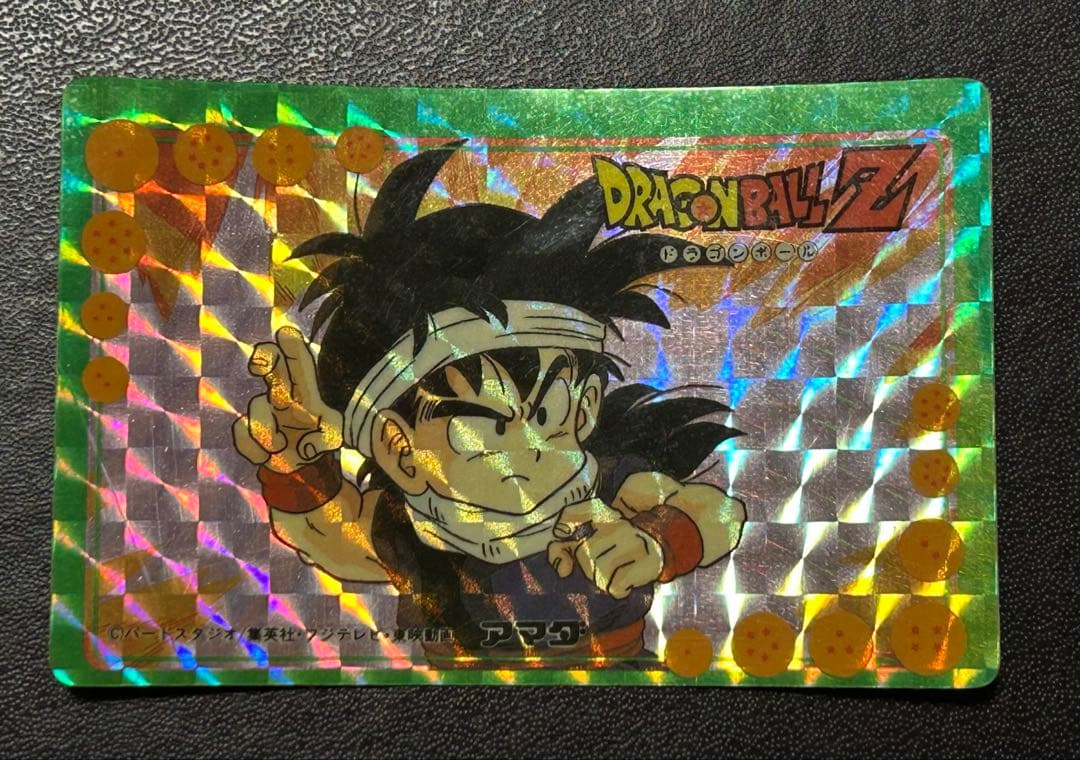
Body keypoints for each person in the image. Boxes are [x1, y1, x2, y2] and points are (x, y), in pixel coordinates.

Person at [233, 142, 746, 668]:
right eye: (487, 427)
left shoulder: (602, 488)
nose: (530, 444)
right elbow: (330, 537)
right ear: (399, 448)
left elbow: (716, 512)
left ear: (586, 406)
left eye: (547, 414)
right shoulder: (414, 525)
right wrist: (294, 461)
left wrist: (655, 542)